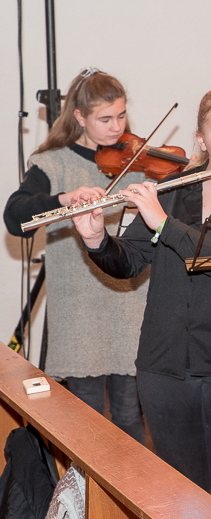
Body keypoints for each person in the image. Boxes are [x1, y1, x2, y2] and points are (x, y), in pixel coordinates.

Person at [70, 84, 211, 519]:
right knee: (181, 495)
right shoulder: (172, 187)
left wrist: (164, 224)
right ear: (201, 139)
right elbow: (129, 262)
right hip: (165, 363)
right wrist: (96, 239)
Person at [3, 68, 147, 444]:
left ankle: (130, 485)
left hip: (130, 301)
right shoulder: (53, 163)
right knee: (86, 420)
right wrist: (64, 199)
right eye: (105, 119)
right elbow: (15, 217)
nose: (116, 127)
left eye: (121, 115)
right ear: (79, 117)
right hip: (79, 308)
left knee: (129, 415)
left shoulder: (136, 160)